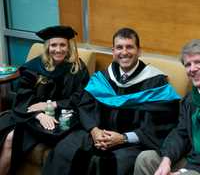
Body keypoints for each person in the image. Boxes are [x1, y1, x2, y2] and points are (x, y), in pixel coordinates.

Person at [42, 27, 180, 175]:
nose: (124, 52)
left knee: (110, 164)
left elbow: (162, 123)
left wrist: (123, 138)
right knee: (64, 150)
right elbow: (85, 106)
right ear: (113, 51)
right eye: (119, 47)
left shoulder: (155, 83)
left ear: (139, 51)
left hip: (132, 144)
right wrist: (94, 130)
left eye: (129, 47)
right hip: (97, 135)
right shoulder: (103, 78)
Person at [0, 25, 89, 175]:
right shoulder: (34, 68)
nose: (58, 49)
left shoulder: (78, 68)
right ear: (47, 47)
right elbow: (23, 98)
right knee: (9, 138)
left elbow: (81, 97)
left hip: (63, 117)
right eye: (54, 45)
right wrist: (39, 115)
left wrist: (52, 104)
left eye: (62, 45)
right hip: (31, 116)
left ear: (69, 47)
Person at [133, 39, 200, 175]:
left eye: (198, 62)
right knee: (146, 159)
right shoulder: (190, 99)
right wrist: (167, 159)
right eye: (188, 64)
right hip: (190, 159)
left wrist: (183, 171)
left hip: (196, 168)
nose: (192, 69)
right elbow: (181, 133)